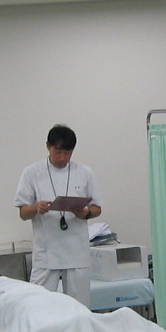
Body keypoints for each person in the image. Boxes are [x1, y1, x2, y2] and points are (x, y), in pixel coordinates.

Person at [15, 125, 103, 307]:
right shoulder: (32, 172)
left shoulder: (85, 172)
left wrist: (86, 213)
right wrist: (36, 208)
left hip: (76, 252)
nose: (62, 158)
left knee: (80, 308)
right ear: (48, 146)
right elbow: (23, 213)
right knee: (38, 306)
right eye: (58, 152)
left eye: (67, 153)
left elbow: (97, 208)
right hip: (46, 253)